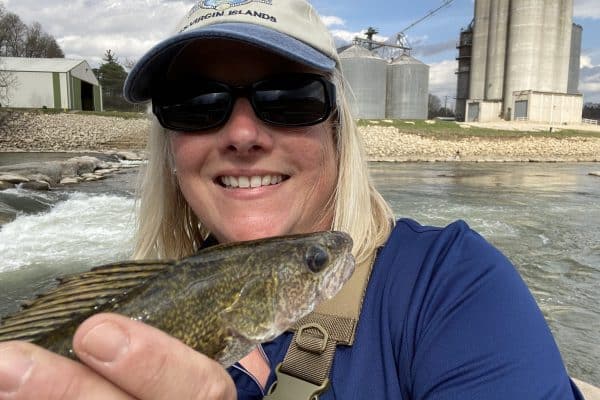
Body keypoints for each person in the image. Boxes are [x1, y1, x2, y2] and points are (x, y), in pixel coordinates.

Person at [0, 1, 585, 399]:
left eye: (288, 96)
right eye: (197, 103)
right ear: (170, 147)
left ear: (336, 126)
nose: (243, 133)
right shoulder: (133, 296)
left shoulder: (451, 285)